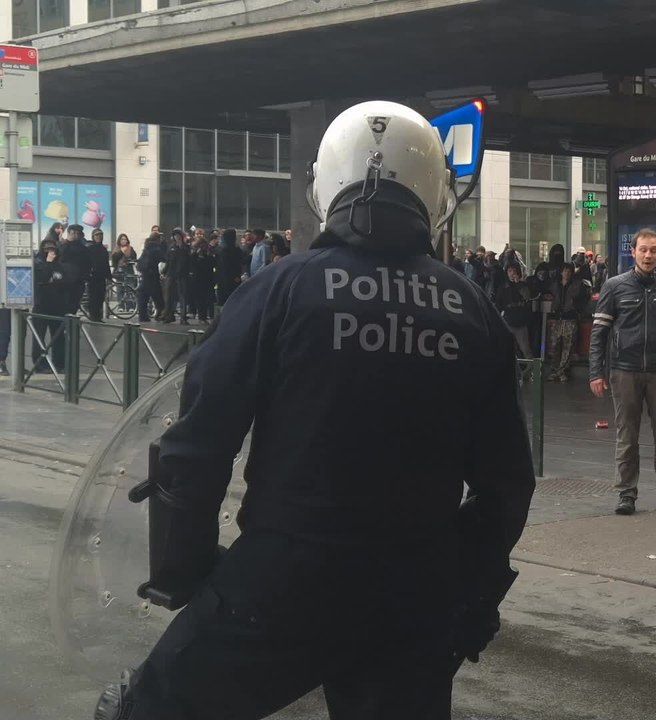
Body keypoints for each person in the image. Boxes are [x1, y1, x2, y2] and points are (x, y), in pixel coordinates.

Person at [93, 100, 536, 720]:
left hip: (281, 577)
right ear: (434, 192)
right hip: (414, 587)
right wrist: (464, 592)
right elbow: (508, 482)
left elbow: (195, 449)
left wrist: (189, 573)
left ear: (325, 184)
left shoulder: (278, 288)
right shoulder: (474, 309)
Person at [589, 228, 656, 516]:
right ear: (632, 252)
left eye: (654, 250)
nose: (648, 255)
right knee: (627, 435)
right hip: (624, 372)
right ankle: (626, 494)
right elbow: (599, 333)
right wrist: (595, 372)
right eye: (643, 250)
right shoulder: (614, 286)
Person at [545, 264, 588, 382]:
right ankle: (555, 370)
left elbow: (584, 300)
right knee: (554, 345)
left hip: (570, 318)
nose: (567, 273)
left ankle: (562, 371)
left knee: (568, 347)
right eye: (565, 271)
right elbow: (547, 295)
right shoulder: (554, 285)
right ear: (561, 272)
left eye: (569, 271)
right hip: (556, 318)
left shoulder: (578, 285)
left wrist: (576, 308)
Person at [31, 238, 69, 373]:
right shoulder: (38, 263)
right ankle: (40, 364)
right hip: (42, 305)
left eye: (52, 250)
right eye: (47, 250)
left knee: (58, 336)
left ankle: (59, 363)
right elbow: (42, 279)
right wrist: (48, 263)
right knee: (39, 336)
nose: (50, 252)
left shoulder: (60, 265)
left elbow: (65, 283)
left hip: (57, 306)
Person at [497, 264, 535, 358]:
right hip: (508, 320)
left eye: (514, 271)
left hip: (520, 322)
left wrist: (518, 284)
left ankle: (531, 370)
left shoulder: (523, 285)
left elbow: (527, 297)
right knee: (508, 348)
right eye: (510, 271)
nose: (512, 273)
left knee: (525, 348)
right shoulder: (503, 287)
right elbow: (499, 303)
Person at [60, 224, 91, 318]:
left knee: (74, 305)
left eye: (78, 233)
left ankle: (70, 325)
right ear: (69, 233)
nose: (75, 235)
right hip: (65, 281)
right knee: (65, 305)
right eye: (74, 233)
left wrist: (85, 276)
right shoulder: (63, 246)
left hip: (78, 281)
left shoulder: (82, 248)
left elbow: (87, 263)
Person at [136, 233, 165, 323]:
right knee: (158, 296)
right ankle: (161, 314)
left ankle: (143, 316)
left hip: (145, 274)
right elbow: (163, 258)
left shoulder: (146, 247)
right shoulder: (156, 248)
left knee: (143, 295)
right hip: (153, 275)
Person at [85, 228, 112, 321]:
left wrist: (109, 276)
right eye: (97, 235)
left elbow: (106, 264)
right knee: (93, 297)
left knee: (101, 296)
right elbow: (87, 262)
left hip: (101, 276)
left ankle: (98, 315)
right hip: (92, 276)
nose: (99, 237)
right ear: (93, 237)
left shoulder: (103, 249)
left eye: (100, 235)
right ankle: (93, 315)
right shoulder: (90, 249)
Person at [215, 228, 243, 307]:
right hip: (234, 279)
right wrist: (237, 275)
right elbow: (238, 264)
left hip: (222, 279)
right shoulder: (237, 250)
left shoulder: (221, 250)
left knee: (222, 301)